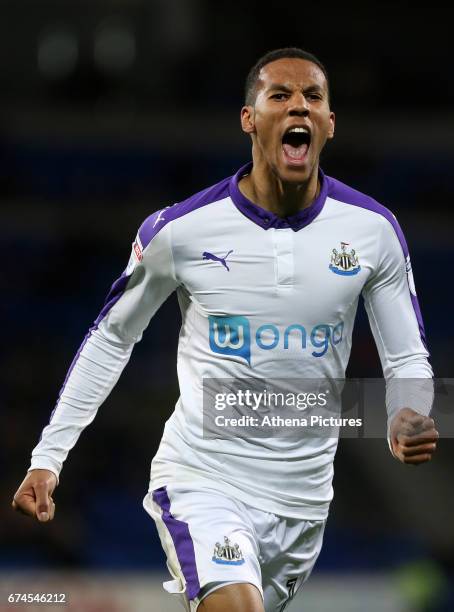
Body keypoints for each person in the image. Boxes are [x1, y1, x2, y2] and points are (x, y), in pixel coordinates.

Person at [12, 48, 439, 612]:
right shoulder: (181, 230)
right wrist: (50, 456)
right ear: (249, 118)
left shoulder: (373, 231)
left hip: (304, 504)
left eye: (313, 97)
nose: (299, 108)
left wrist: (405, 412)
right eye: (280, 96)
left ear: (330, 123)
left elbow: (407, 357)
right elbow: (112, 337)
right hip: (201, 479)